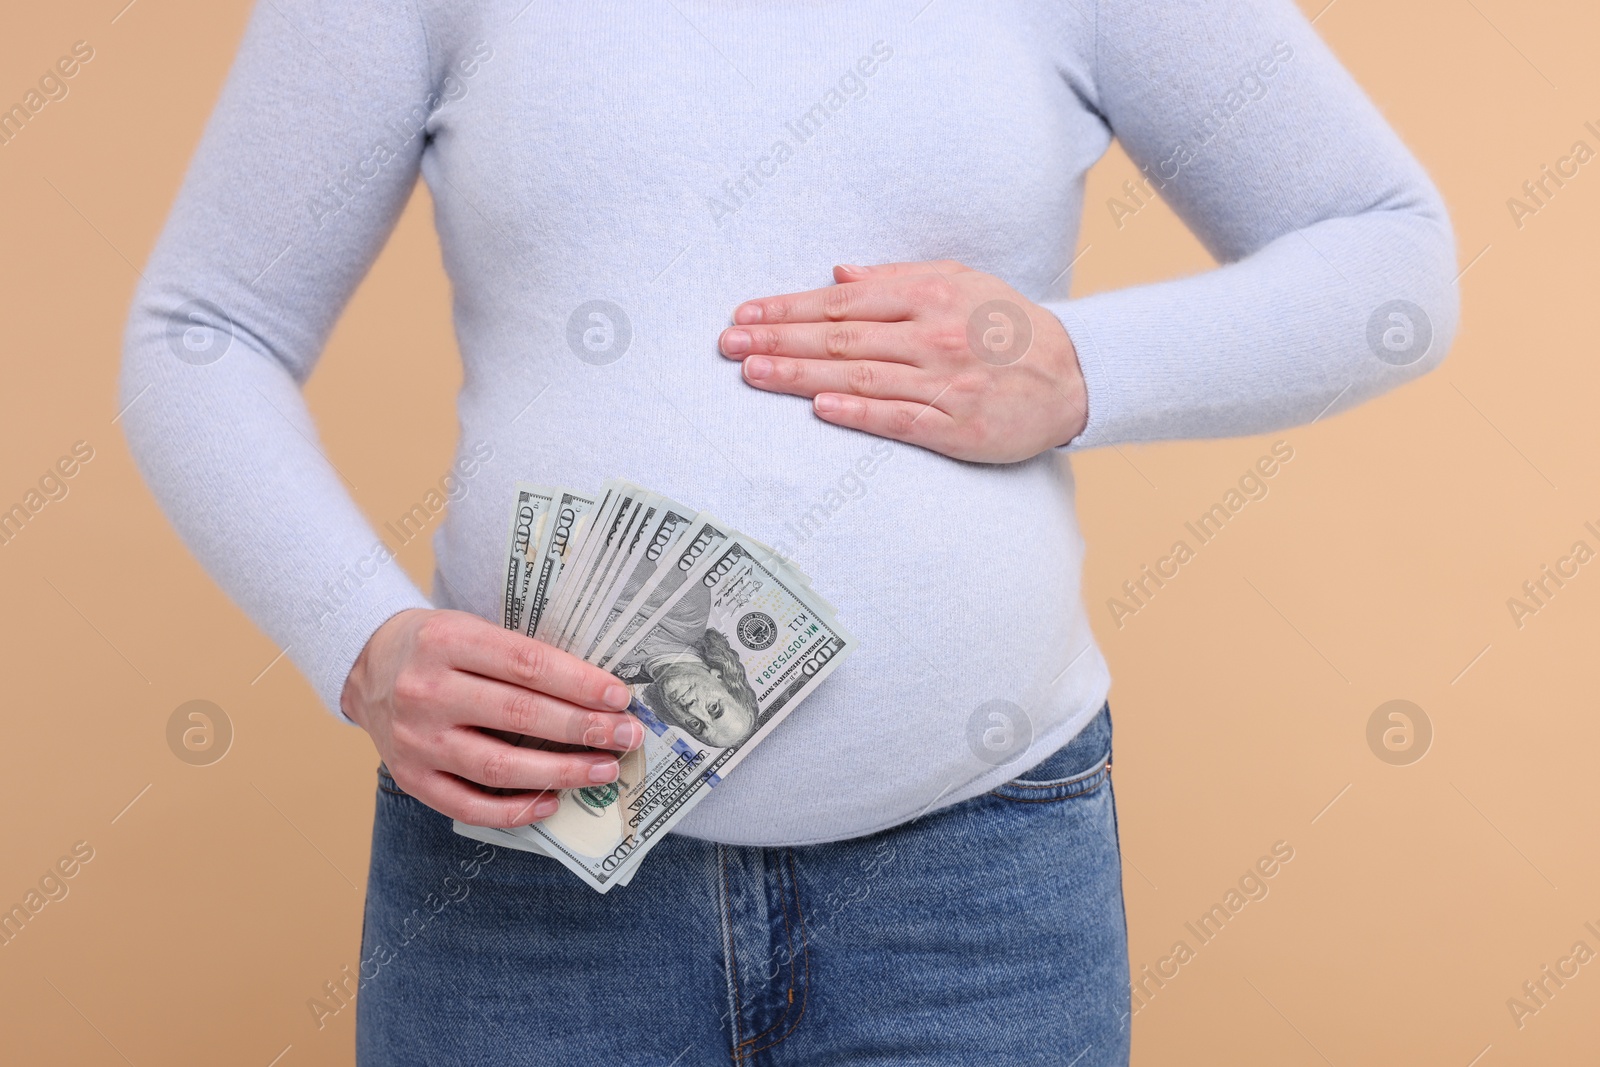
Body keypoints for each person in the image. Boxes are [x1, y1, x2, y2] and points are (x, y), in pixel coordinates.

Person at [119, 1, 1458, 1062]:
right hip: (526, 885)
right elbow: (204, 330)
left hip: (976, 890)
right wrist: (355, 635)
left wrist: (1079, 368)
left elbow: (1392, 258)